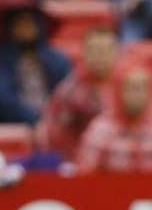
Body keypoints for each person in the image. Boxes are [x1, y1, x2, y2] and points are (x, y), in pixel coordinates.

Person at [75, 68, 152, 172]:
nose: (134, 94)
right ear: (118, 92)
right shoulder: (99, 132)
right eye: (129, 88)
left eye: (140, 88)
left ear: (150, 94)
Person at [40, 26, 118, 155]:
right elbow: (56, 137)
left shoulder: (127, 87)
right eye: (95, 50)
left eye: (106, 50)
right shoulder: (69, 93)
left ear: (117, 53)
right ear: (84, 53)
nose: (101, 55)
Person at [0, 10, 71, 123]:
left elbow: (67, 93)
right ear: (10, 28)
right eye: (19, 23)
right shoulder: (0, 59)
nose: (24, 28)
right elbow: (6, 99)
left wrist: (51, 118)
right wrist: (37, 120)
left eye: (28, 23)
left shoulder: (57, 59)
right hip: (15, 124)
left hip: (54, 121)